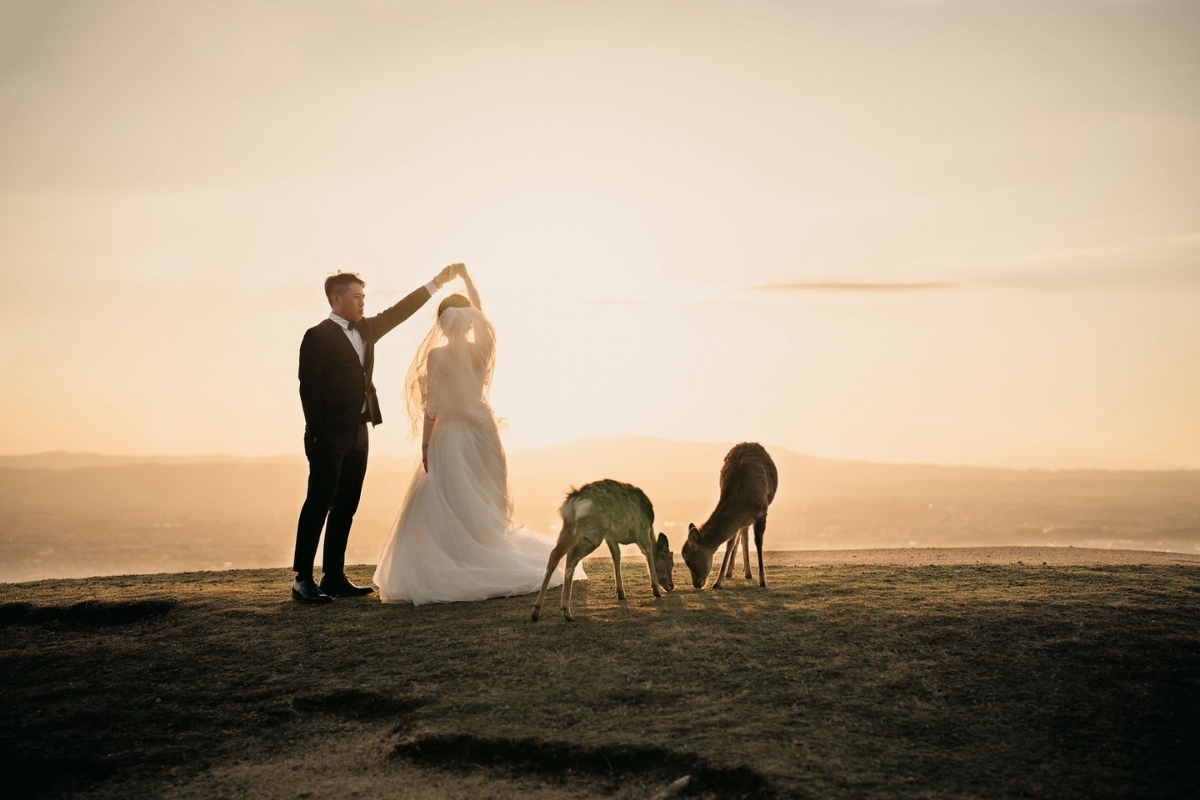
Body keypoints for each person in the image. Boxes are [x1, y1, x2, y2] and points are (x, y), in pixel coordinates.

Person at [374, 265, 583, 604]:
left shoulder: (437, 355)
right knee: (483, 498)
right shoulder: (481, 350)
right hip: (484, 433)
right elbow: (482, 316)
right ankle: (482, 552)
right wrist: (468, 281)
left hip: (450, 435)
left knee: (447, 501)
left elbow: (431, 406)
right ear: (470, 321)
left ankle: (459, 560)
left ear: (441, 324)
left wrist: (426, 443)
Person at [292, 264, 459, 603]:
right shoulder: (317, 336)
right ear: (336, 299)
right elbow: (307, 389)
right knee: (318, 502)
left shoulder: (367, 330)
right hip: (328, 435)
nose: (363, 302)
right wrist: (319, 435)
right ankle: (302, 579)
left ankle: (333, 576)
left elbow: (399, 311)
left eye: (364, 297)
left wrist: (437, 283)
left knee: (347, 504)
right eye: (356, 297)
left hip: (359, 431)